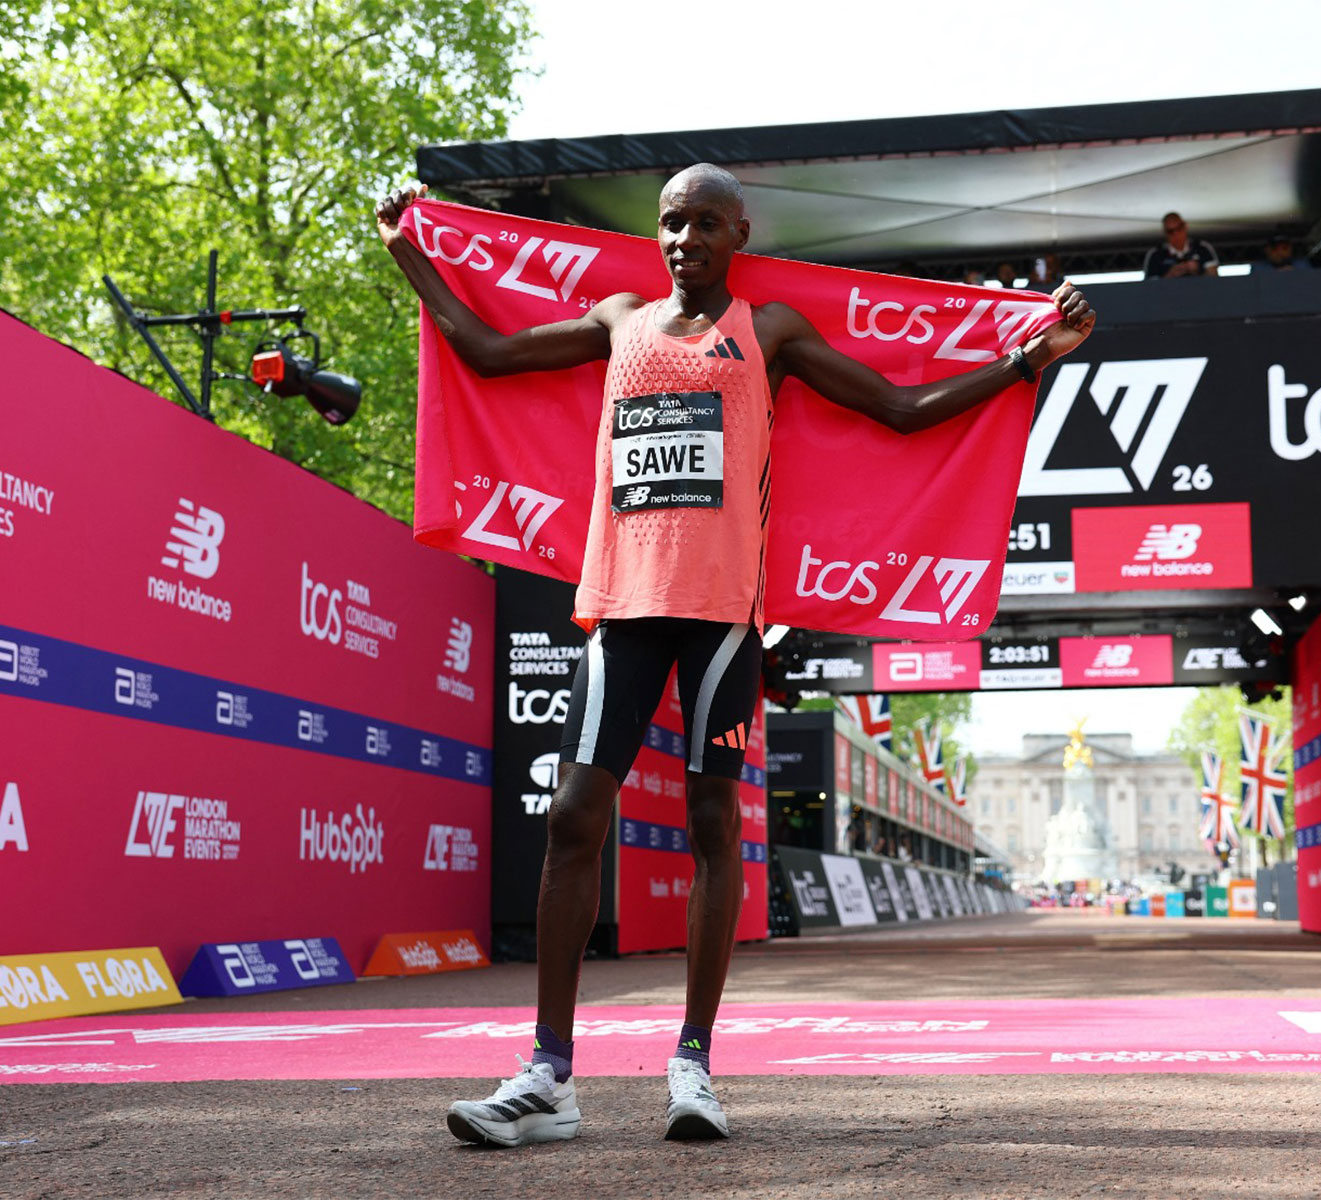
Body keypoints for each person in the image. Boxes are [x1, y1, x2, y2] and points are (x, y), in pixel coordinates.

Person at [374, 164, 1095, 1147]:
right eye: (673, 222)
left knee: (712, 821)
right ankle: (547, 1075)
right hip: (622, 608)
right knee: (576, 814)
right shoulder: (619, 318)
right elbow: (486, 352)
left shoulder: (771, 332)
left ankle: (694, 1065)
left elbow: (897, 408)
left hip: (723, 619)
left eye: (705, 224)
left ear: (737, 234)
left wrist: (1026, 362)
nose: (685, 239)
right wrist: (411, 257)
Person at [1144, 212, 1219, 279]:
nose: (1176, 234)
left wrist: (1196, 271)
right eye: (1171, 231)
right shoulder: (1156, 254)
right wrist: (1171, 274)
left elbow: (1215, 279)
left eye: (1179, 228)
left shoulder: (1202, 248)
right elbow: (1149, 287)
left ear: (1185, 226)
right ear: (1165, 233)